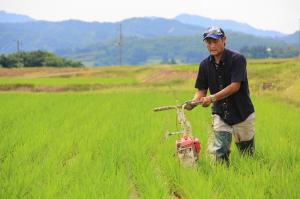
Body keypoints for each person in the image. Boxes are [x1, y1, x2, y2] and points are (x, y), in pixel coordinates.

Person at [185, 26, 255, 165]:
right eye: (208, 42)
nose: (212, 46)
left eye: (215, 41)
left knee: (247, 155)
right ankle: (223, 179)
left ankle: (248, 177)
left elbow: (235, 86)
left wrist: (212, 98)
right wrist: (193, 103)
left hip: (242, 113)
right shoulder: (204, 65)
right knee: (219, 152)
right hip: (221, 114)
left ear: (224, 40)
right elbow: (201, 90)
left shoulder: (237, 59)